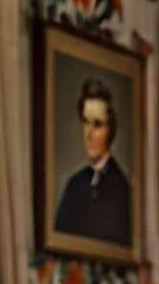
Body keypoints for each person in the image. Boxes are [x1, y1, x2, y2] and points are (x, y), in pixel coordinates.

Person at [54, 76, 131, 246]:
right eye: (86, 122)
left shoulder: (122, 189)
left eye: (97, 124)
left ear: (110, 129)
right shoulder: (74, 184)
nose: (89, 133)